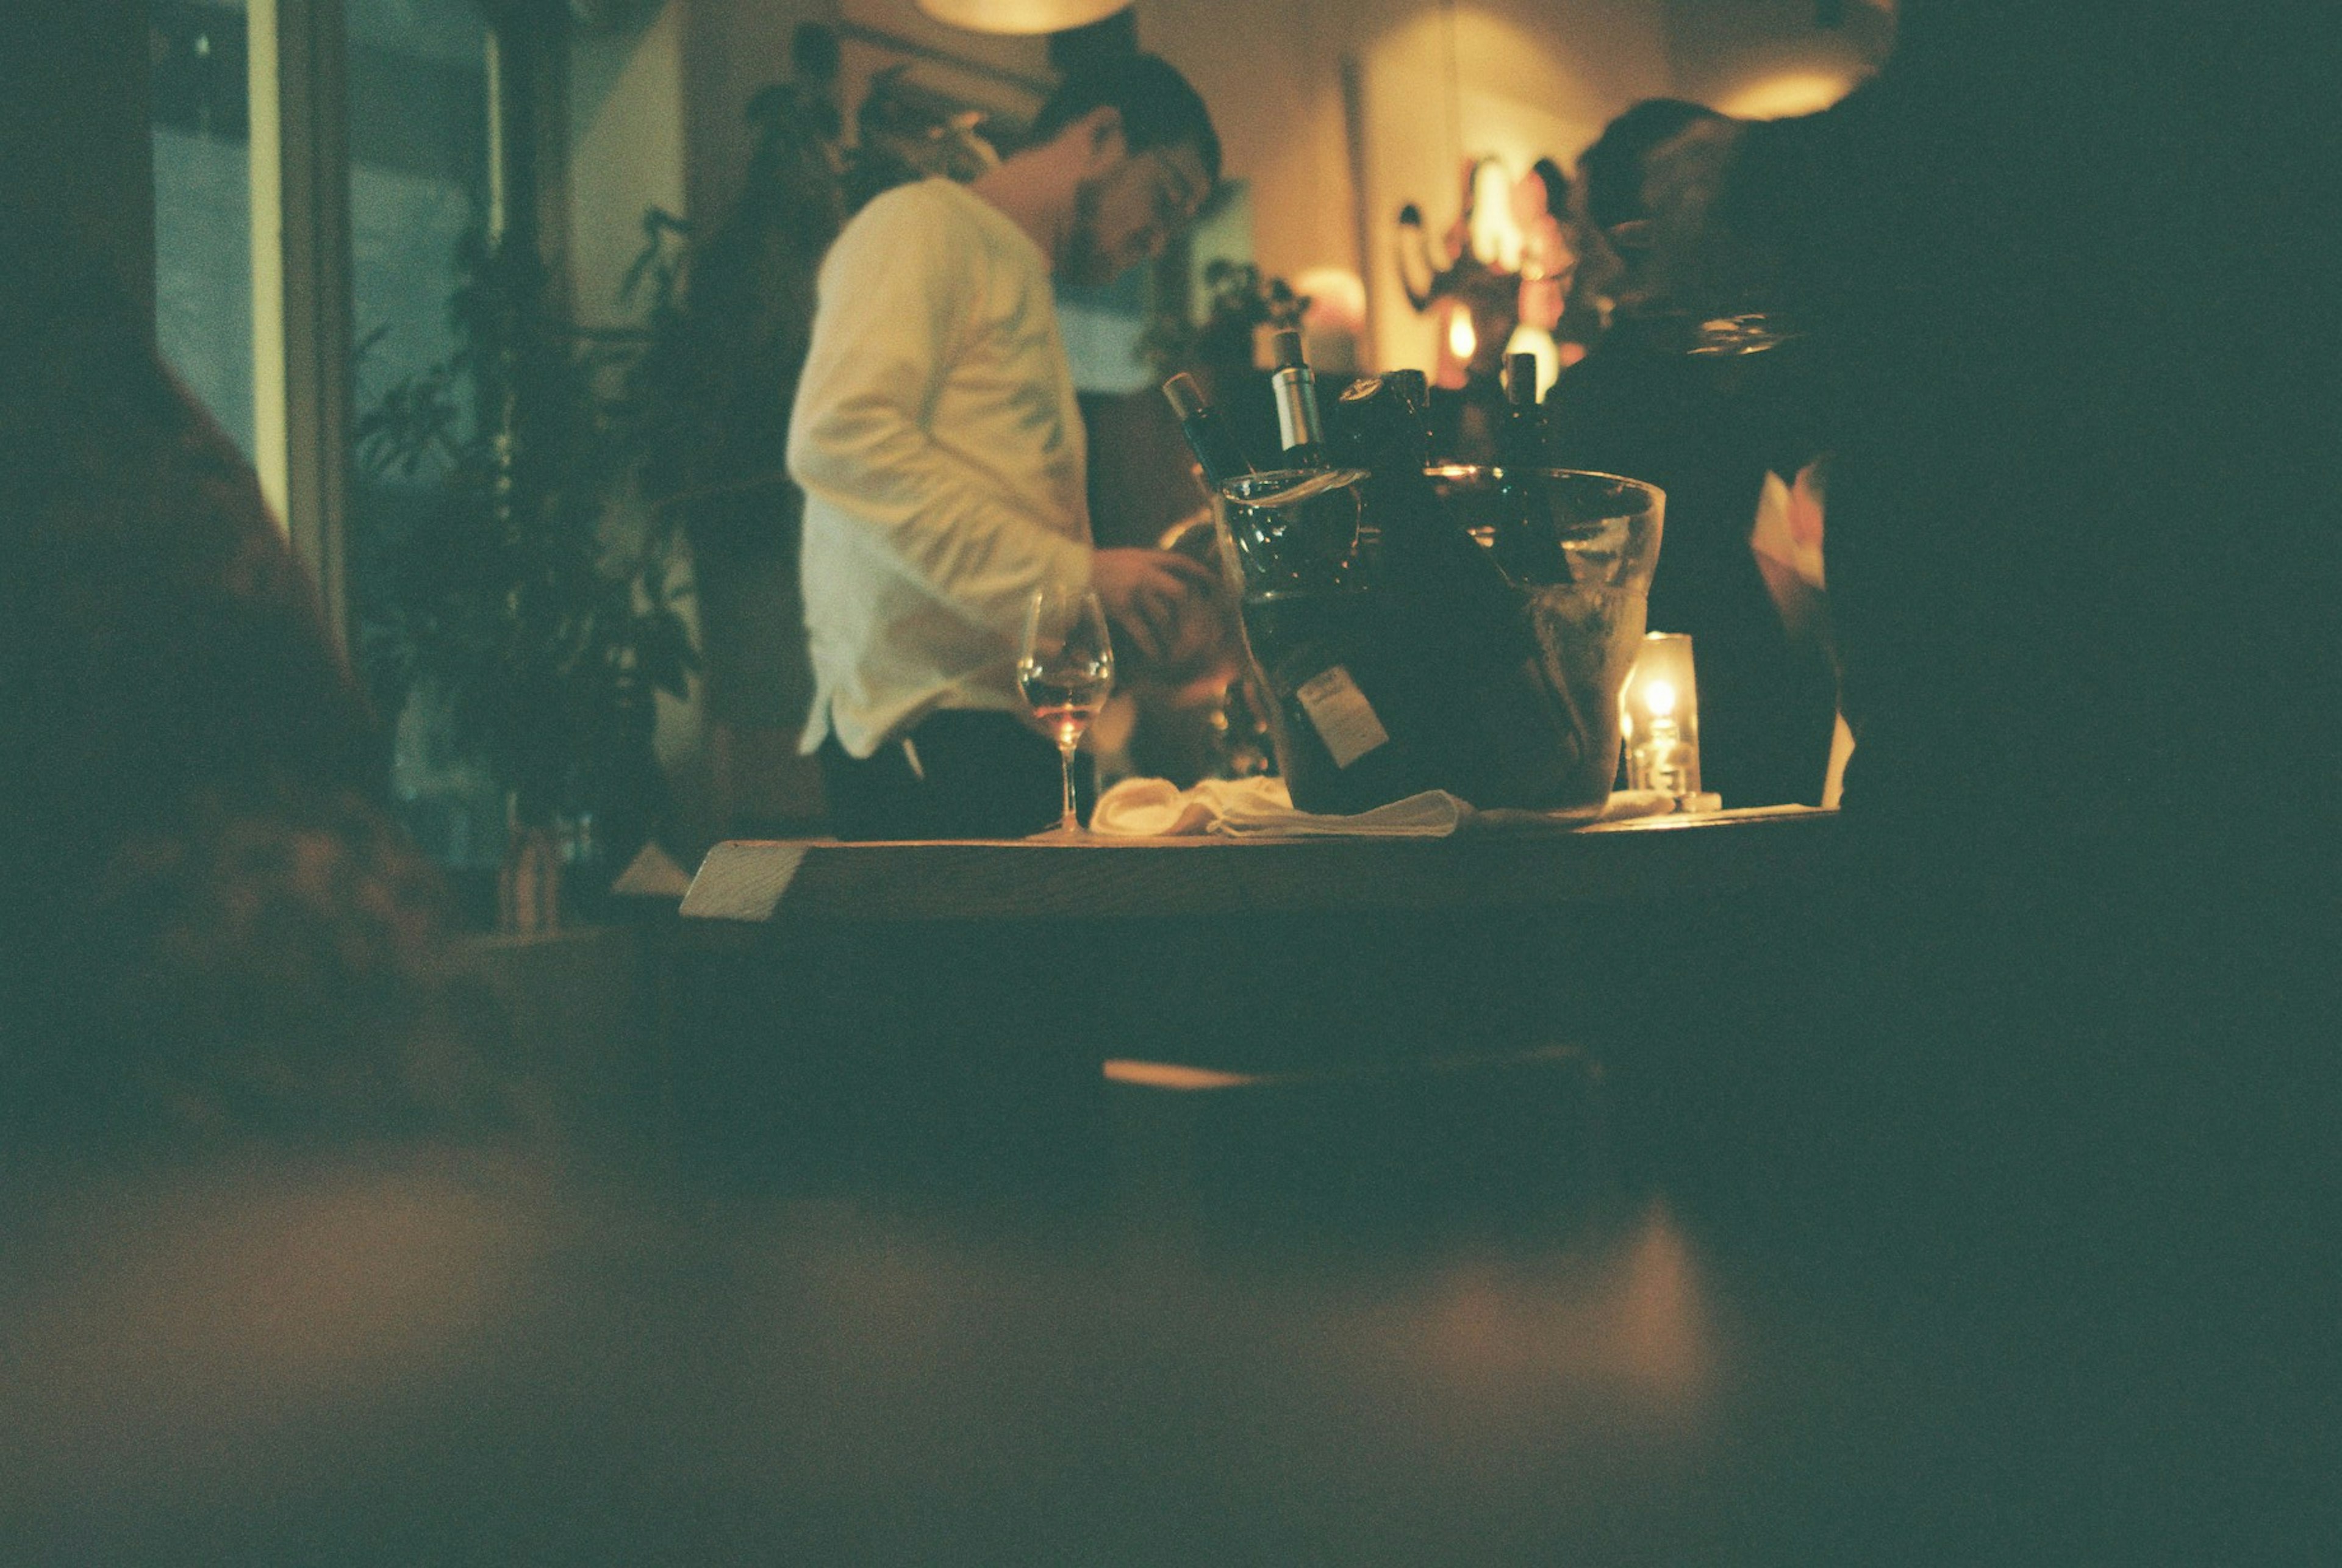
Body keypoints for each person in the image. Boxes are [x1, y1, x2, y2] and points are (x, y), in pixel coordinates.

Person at [788, 52, 1223, 840]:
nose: (1158, 241)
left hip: (997, 735)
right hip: (932, 739)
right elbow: (841, 437)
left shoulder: (1010, 269)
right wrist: (1076, 575)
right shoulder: (923, 225)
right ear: (1102, 135)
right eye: (1165, 198)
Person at [1545, 98, 1839, 808]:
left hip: (1733, 732)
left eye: (1588, 240)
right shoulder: (1789, 363)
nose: (1591, 268)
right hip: (1736, 731)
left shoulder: (1601, 398)